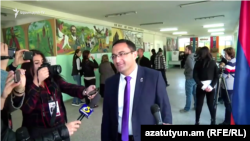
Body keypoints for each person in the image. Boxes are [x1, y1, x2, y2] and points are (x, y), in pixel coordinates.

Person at [101, 39, 172, 141]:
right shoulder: (110, 83)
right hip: (117, 137)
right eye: (114, 56)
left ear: (134, 54)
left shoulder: (154, 77)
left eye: (122, 54)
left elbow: (165, 108)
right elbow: (106, 118)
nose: (117, 60)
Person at [20, 50, 97, 139]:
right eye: (37, 63)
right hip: (40, 133)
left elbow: (67, 86)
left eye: (42, 62)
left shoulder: (52, 78)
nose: (41, 66)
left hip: (60, 126)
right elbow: (27, 108)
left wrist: (85, 91)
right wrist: (36, 82)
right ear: (29, 67)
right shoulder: (24, 84)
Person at [193, 46, 219, 125]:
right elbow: (216, 76)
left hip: (201, 86)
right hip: (211, 87)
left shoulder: (198, 63)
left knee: (199, 105)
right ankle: (213, 121)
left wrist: (202, 86)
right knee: (211, 104)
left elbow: (195, 76)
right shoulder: (213, 62)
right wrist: (211, 86)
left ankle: (197, 121)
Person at [219, 47, 236, 125]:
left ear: (229, 54)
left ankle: (227, 121)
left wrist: (222, 68)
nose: (224, 55)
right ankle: (230, 119)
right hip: (233, 85)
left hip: (228, 87)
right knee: (230, 103)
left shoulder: (230, 63)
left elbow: (224, 75)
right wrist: (228, 73)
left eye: (225, 54)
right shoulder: (235, 60)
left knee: (228, 104)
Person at [180, 45, 196, 113]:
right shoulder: (194, 55)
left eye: (186, 49)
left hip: (190, 77)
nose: (184, 50)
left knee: (188, 94)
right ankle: (196, 105)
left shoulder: (189, 57)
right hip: (195, 77)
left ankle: (187, 108)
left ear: (189, 50)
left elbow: (192, 67)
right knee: (194, 93)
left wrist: (185, 71)